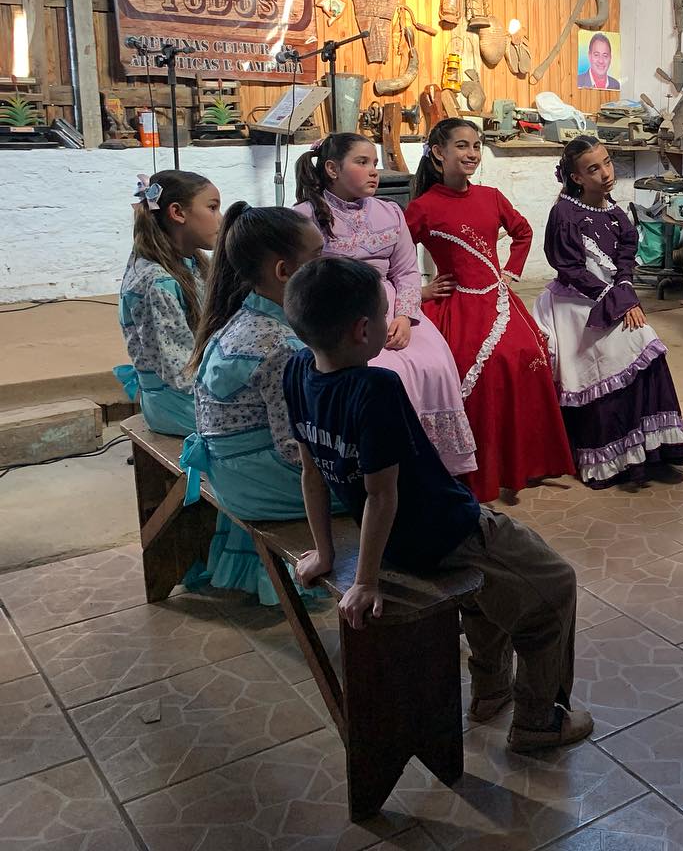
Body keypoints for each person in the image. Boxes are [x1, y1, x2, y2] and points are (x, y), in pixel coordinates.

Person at [282, 255, 593, 752]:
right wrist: (364, 582)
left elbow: (311, 471)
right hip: (445, 530)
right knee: (554, 585)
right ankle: (539, 719)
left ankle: (491, 691)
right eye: (385, 313)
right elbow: (384, 495)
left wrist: (324, 552)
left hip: (395, 540)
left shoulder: (298, 370)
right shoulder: (377, 386)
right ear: (364, 329)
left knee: (492, 586)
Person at [405, 118, 574, 503]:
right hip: (456, 307)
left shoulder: (492, 196)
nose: (472, 154)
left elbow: (523, 232)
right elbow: (394, 260)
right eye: (462, 146)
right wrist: (422, 289)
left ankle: (527, 462)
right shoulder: (421, 208)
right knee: (474, 371)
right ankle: (480, 471)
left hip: (498, 300)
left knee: (529, 354)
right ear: (437, 153)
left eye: (476, 146)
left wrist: (511, 273)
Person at [293, 133, 477, 481]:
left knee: (435, 362)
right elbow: (304, 281)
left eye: (374, 163)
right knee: (387, 373)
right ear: (332, 168)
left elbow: (407, 270)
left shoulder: (390, 211)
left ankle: (436, 466)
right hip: (340, 312)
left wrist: (405, 318)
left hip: (391, 305)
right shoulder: (304, 217)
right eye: (362, 163)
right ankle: (385, 468)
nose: (373, 171)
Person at [182, 204, 338, 604]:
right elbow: (293, 452)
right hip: (254, 483)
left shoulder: (241, 316)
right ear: (284, 272)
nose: (329, 264)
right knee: (385, 490)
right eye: (318, 256)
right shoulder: (284, 347)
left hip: (230, 471)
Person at [535, 136, 683, 488]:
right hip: (575, 301)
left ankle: (647, 448)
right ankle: (612, 454)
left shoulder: (616, 213)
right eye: (594, 168)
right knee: (624, 348)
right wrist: (618, 302)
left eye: (607, 162)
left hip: (609, 296)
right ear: (576, 178)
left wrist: (626, 296)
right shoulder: (564, 213)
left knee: (646, 346)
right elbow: (571, 270)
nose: (606, 173)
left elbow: (624, 264)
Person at [114, 171, 221, 436]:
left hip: (192, 390)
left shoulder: (191, 262)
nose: (220, 218)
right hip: (175, 403)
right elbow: (179, 370)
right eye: (212, 208)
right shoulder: (155, 282)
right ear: (177, 213)